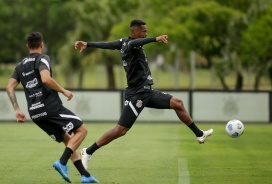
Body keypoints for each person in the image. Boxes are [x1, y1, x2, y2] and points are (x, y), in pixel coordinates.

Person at [74, 19, 213, 170]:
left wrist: (88, 44)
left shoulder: (123, 42)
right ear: (135, 32)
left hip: (147, 91)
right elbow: (134, 44)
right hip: (136, 94)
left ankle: (199, 134)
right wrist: (155, 39)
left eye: (147, 32)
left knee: (177, 103)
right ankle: (88, 151)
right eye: (144, 32)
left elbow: (107, 45)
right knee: (120, 130)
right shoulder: (131, 44)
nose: (146, 33)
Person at [6, 32, 99, 183]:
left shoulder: (20, 65)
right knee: (82, 130)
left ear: (27, 46)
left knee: (69, 140)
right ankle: (62, 163)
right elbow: (46, 78)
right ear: (42, 44)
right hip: (50, 107)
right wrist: (63, 90)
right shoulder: (43, 58)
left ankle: (85, 176)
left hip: (35, 113)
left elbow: (9, 87)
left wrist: (16, 109)